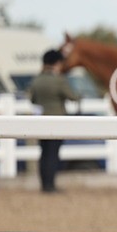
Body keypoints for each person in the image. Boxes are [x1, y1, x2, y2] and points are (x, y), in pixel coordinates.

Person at [28, 49, 79, 193]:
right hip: (57, 121)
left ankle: (44, 184)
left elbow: (32, 99)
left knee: (44, 153)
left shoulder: (37, 80)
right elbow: (72, 96)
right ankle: (50, 185)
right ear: (57, 63)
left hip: (41, 120)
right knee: (53, 154)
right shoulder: (58, 80)